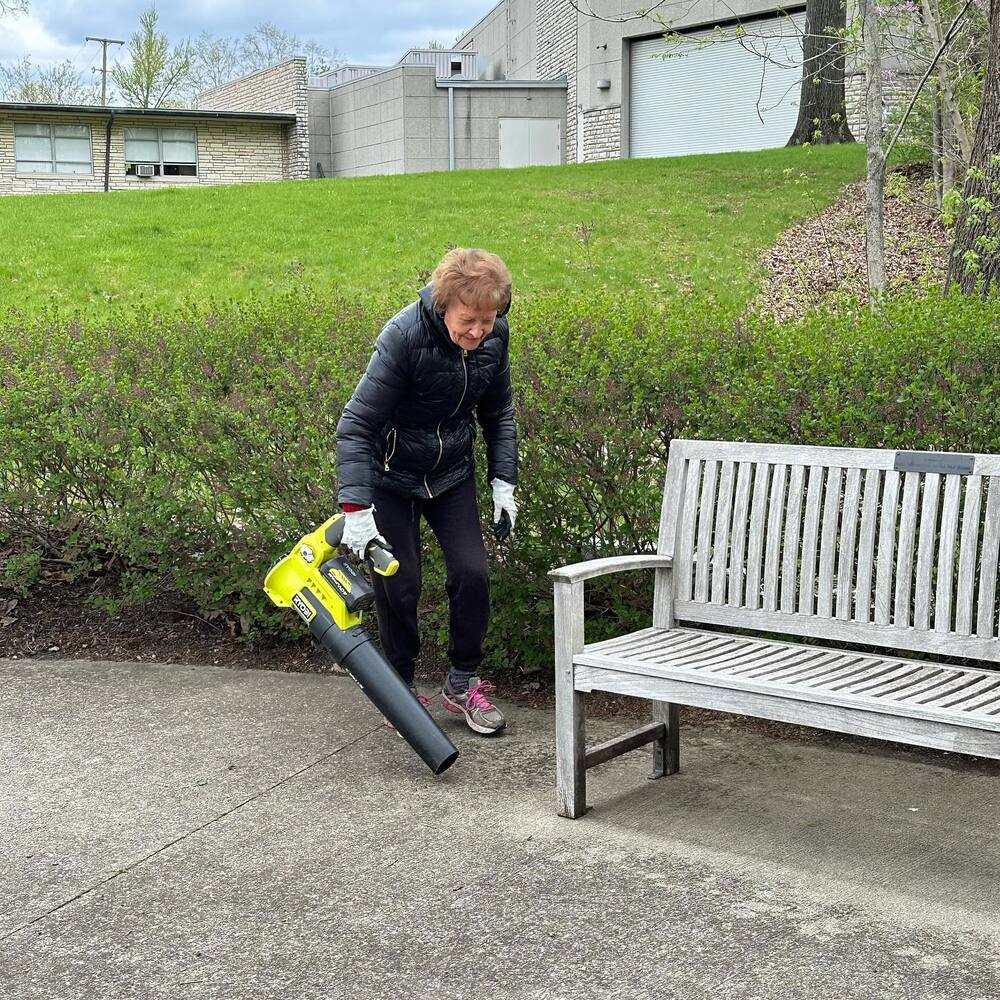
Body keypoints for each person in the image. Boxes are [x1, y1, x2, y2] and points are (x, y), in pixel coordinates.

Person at [335, 248, 518, 736]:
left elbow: (498, 413)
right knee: (401, 582)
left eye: (487, 320)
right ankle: (398, 685)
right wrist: (355, 508)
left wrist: (504, 481)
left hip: (451, 473)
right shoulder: (404, 336)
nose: (478, 332)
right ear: (444, 305)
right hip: (391, 477)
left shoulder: (495, 337)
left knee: (472, 572)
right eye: (468, 320)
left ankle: (462, 684)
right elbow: (354, 425)